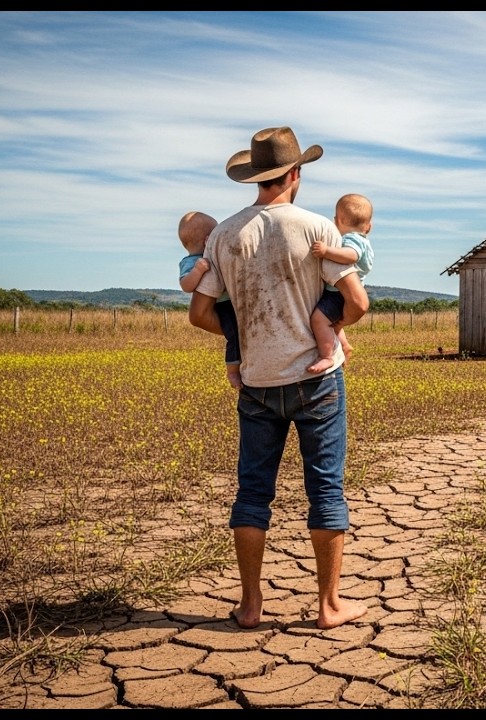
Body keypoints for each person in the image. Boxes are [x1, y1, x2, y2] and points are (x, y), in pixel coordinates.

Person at [188, 126, 371, 631]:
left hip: (256, 382)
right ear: (295, 174)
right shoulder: (316, 228)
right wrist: (333, 328)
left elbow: (199, 313)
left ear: (256, 176)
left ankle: (250, 605)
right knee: (325, 490)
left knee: (252, 493)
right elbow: (357, 302)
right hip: (317, 381)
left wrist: (245, 336)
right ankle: (329, 605)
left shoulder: (224, 235)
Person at [307, 194, 375, 374]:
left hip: (338, 293)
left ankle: (327, 356)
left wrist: (326, 251)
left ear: (337, 221)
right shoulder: (364, 241)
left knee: (319, 320)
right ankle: (344, 345)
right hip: (344, 293)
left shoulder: (351, 239)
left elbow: (351, 255)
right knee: (333, 323)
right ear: (369, 227)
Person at [178, 210, 242, 389]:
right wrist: (198, 270)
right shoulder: (191, 262)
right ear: (208, 240)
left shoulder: (213, 256)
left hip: (232, 301)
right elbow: (186, 286)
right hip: (221, 305)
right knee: (234, 335)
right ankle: (233, 370)